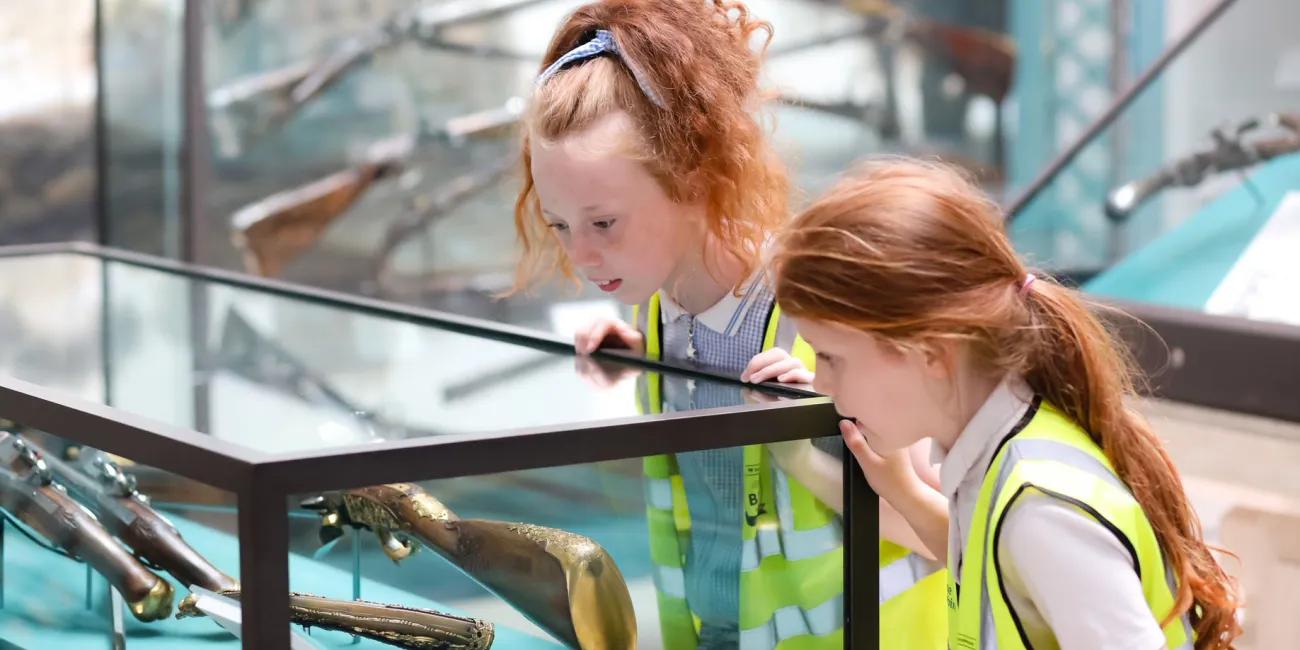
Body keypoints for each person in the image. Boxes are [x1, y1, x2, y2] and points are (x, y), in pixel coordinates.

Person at [512, 2, 947, 647]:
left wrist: (800, 448)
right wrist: (639, 366)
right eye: (560, 225)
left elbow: (942, 529)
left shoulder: (817, 304)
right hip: (713, 629)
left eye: (604, 223)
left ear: (693, 178)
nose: (581, 255)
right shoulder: (656, 308)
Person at [770, 158, 1243, 650]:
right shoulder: (1002, 452)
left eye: (832, 357)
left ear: (931, 351)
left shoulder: (1040, 510)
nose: (822, 382)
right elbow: (990, 571)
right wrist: (904, 492)